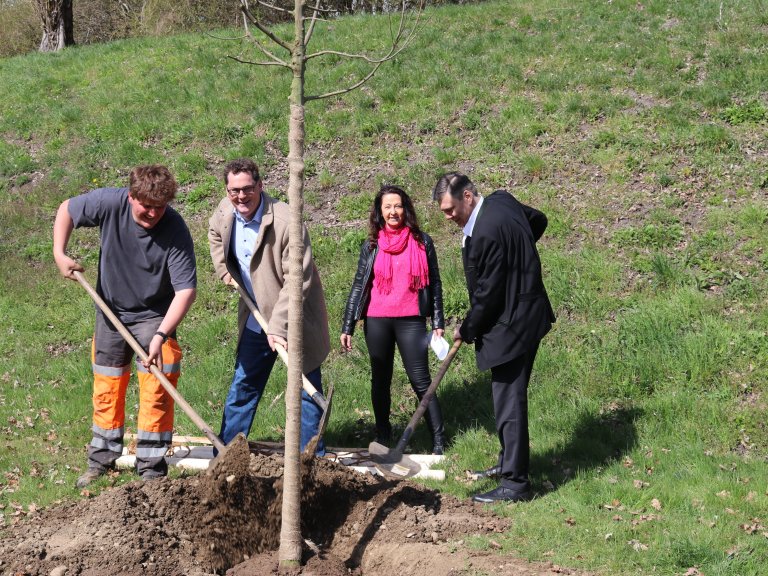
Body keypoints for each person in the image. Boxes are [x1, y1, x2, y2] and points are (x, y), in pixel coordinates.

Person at [53, 165, 197, 488]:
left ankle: (151, 466)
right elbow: (67, 210)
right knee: (108, 382)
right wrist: (59, 253)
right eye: (146, 206)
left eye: (160, 207)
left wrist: (161, 335)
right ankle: (101, 458)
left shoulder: (174, 228)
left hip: (153, 317)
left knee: (160, 377)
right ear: (131, 196)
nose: (153, 213)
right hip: (110, 312)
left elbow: (186, 290)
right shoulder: (109, 203)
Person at [432, 172, 555, 503]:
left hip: (511, 326)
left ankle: (515, 484)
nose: (448, 217)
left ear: (468, 197)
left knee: (508, 402)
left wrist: (466, 329)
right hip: (531, 313)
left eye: (449, 209)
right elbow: (537, 221)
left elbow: (486, 298)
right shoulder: (503, 201)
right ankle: (507, 463)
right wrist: (520, 262)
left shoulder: (484, 234)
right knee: (508, 398)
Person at [208, 158, 330, 455]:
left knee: (305, 392)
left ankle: (311, 462)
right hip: (255, 319)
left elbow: (296, 281)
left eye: (247, 189)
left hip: (293, 319)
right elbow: (213, 234)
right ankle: (226, 457)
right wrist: (223, 268)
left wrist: (278, 328)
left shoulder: (287, 222)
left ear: (260, 186)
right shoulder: (225, 212)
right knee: (243, 388)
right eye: (234, 190)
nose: (241, 196)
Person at [341, 185, 447, 455]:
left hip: (411, 319)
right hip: (377, 320)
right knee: (380, 379)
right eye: (387, 207)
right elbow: (359, 285)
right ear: (379, 211)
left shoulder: (422, 241)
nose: (393, 212)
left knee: (420, 379)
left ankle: (438, 440)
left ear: (406, 209)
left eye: (397, 206)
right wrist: (348, 324)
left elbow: (434, 283)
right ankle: (384, 435)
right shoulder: (372, 244)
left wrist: (437, 321)